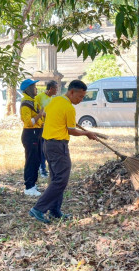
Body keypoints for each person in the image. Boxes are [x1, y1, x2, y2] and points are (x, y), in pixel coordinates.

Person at [29, 80, 98, 223]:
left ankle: (54, 210)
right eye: (79, 96)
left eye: (83, 97)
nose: (81, 100)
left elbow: (44, 114)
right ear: (71, 92)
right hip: (58, 146)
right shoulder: (68, 108)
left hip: (47, 145)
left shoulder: (55, 101)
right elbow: (71, 131)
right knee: (61, 179)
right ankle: (38, 209)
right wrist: (87, 134)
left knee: (56, 178)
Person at [20, 79, 44, 197]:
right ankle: (29, 186)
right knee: (31, 160)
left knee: (37, 160)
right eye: (34, 87)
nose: (36, 89)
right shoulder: (25, 104)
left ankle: (33, 184)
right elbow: (28, 122)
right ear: (29, 89)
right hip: (30, 134)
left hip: (37, 133)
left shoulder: (33, 102)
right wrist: (40, 115)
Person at [35, 80, 58, 178]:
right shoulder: (39, 97)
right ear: (51, 88)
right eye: (56, 88)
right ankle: (42, 168)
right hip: (42, 127)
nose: (57, 90)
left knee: (49, 148)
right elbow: (36, 111)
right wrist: (44, 116)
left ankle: (50, 169)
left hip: (51, 127)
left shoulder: (53, 99)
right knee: (42, 148)